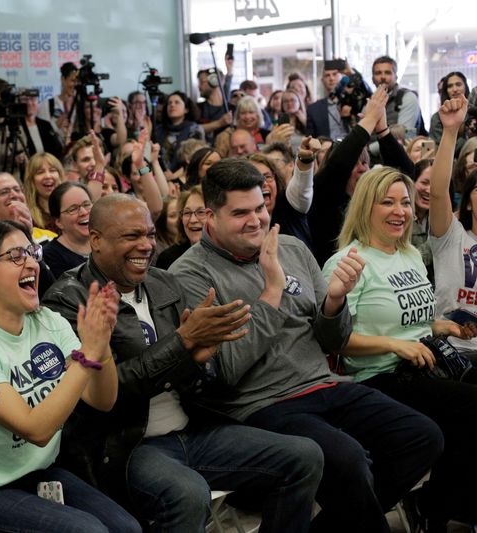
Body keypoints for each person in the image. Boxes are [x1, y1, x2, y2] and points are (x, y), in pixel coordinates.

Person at [168, 159, 443, 533]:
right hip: (260, 403)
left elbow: (336, 340)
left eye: (261, 207)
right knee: (347, 461)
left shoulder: (293, 248)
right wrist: (272, 291)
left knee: (422, 436)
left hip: (324, 384)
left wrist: (334, 302)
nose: (256, 220)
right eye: (240, 213)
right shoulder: (190, 274)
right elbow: (228, 371)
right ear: (210, 217)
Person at [43, 194, 324, 532]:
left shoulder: (163, 282)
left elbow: (198, 374)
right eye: (132, 236)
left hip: (193, 431)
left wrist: (200, 361)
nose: (146, 245)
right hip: (126, 447)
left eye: (149, 234)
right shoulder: (68, 299)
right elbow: (107, 394)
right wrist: (184, 344)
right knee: (188, 493)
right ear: (96, 240)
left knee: (304, 456)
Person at [0, 220, 140, 533]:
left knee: (128, 528)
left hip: (42, 471)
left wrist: (101, 346)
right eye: (16, 255)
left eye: (31, 252)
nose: (32, 261)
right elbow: (37, 429)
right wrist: (87, 356)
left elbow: (103, 400)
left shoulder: (48, 321)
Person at [323, 165, 477, 531]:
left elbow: (410, 320)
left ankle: (441, 505)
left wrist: (439, 325)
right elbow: (336, 341)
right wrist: (396, 344)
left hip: (426, 364)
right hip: (377, 377)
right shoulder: (348, 261)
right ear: (365, 206)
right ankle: (437, 505)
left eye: (405, 203)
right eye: (387, 202)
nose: (400, 211)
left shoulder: (408, 254)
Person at [308, 85, 414, 266]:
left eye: (365, 163)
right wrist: (369, 119)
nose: (361, 169)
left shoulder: (375, 200)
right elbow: (337, 166)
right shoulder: (322, 198)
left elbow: (404, 174)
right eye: (353, 164)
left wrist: (383, 131)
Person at [428, 95, 477, 360]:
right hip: (454, 351)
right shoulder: (452, 236)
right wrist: (450, 131)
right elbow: (437, 193)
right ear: (467, 202)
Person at [0, 172, 56, 244]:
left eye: (17, 190)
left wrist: (27, 235)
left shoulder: (48, 237)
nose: (14, 195)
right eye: (4, 192)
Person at [43, 182, 92, 280]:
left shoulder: (106, 241)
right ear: (58, 222)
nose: (84, 212)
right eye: (73, 209)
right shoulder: (50, 256)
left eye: (86, 204)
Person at [152, 91, 204, 172]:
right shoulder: (158, 130)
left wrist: (173, 176)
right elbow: (151, 162)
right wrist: (140, 172)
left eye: (177, 102)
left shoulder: (195, 129)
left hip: (185, 176)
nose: (172, 105)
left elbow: (196, 160)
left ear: (186, 109)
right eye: (169, 103)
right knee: (137, 173)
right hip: (158, 175)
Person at [372, 56, 423, 137]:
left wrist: (370, 148)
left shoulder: (407, 98)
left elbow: (405, 136)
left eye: (388, 73)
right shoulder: (369, 101)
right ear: (372, 78)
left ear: (396, 77)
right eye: (378, 73)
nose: (383, 77)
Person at [156, 186, 205, 270]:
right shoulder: (168, 259)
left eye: (201, 212)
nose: (192, 220)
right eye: (187, 212)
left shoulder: (231, 254)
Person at [429, 71, 471, 157]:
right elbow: (442, 149)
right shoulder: (437, 118)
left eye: (458, 84)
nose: (455, 89)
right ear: (446, 90)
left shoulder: (473, 112)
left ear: (465, 87)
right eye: (450, 86)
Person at [37, 62, 80, 143]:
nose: (75, 85)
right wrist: (57, 124)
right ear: (63, 79)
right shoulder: (48, 104)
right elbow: (43, 135)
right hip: (54, 152)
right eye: (72, 81)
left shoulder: (80, 105)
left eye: (78, 82)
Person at [306, 63, 349, 140]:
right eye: (327, 75)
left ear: (342, 76)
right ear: (322, 80)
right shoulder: (313, 109)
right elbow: (310, 139)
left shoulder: (353, 102)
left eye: (335, 74)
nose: (331, 78)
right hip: (327, 149)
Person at [23, 152, 64, 232]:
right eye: (40, 172)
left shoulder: (71, 207)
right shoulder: (27, 216)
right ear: (31, 180)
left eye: (52, 170)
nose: (48, 176)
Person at [21, 91, 64, 158]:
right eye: (25, 100)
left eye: (32, 99)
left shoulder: (46, 125)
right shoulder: (17, 126)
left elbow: (57, 149)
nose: (29, 103)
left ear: (38, 102)